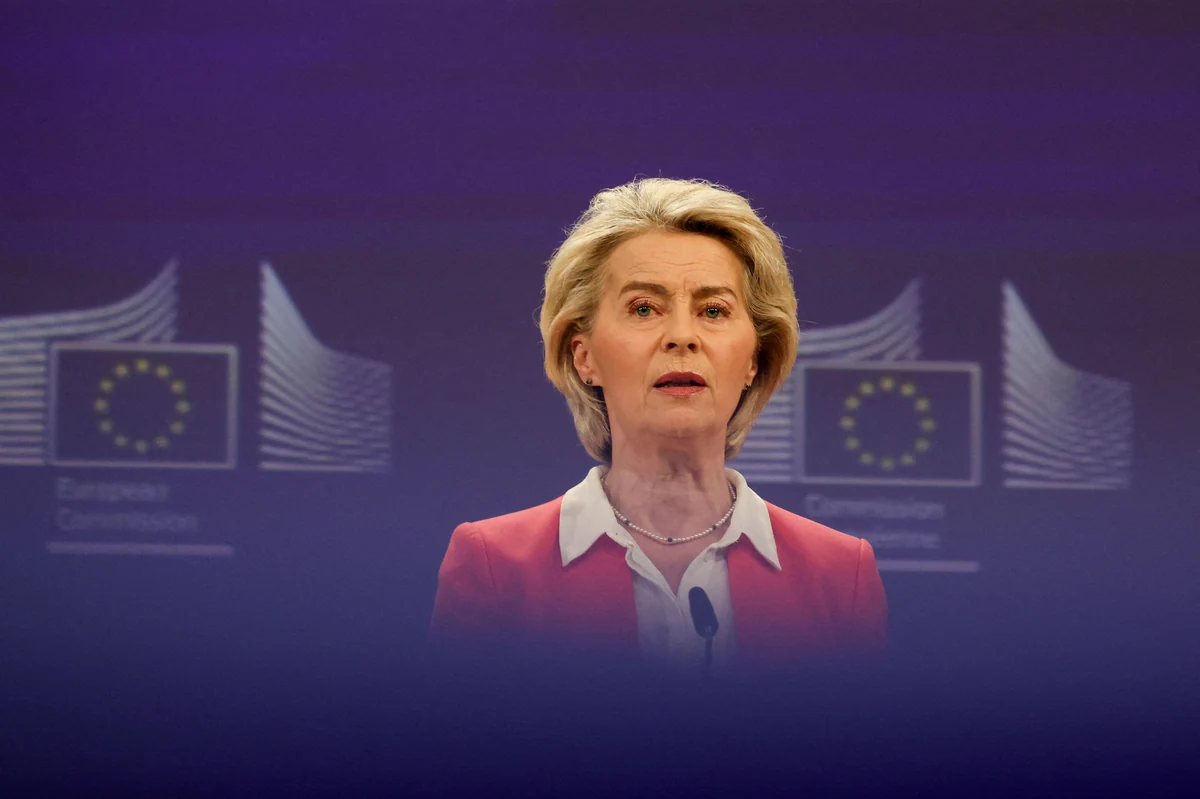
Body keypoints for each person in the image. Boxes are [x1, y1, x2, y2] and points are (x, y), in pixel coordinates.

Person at [428, 178, 887, 668]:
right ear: (585, 357)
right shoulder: (495, 567)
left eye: (714, 310)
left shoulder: (840, 575)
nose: (682, 336)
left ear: (754, 359)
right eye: (644, 308)